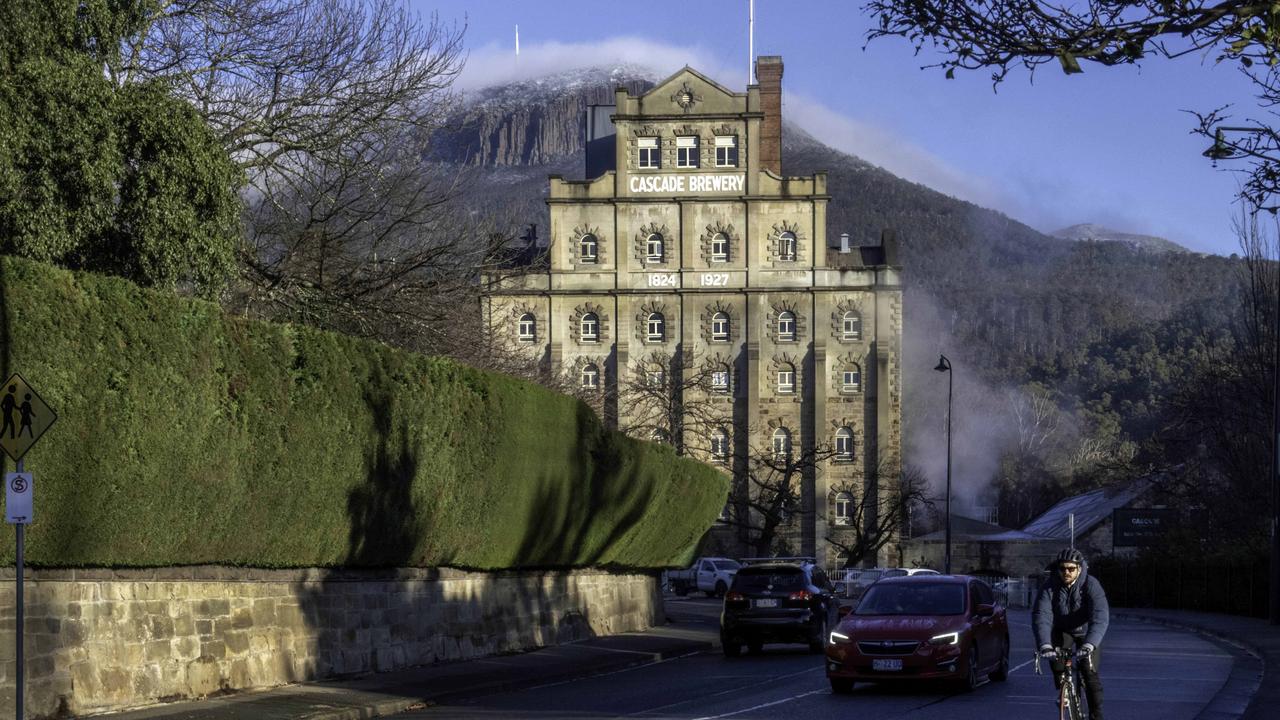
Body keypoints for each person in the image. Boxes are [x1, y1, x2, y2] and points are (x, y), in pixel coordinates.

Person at [1033, 547, 1110, 720]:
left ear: (1079, 569)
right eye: (1062, 568)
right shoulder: (1049, 587)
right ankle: (1064, 691)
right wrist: (1045, 645)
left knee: (1089, 672)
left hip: (1085, 632)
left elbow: (1100, 616)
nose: (1066, 572)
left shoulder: (1091, 585)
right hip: (1062, 630)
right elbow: (1042, 616)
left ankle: (1096, 715)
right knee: (1056, 661)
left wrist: (1090, 644)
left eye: (1071, 569)